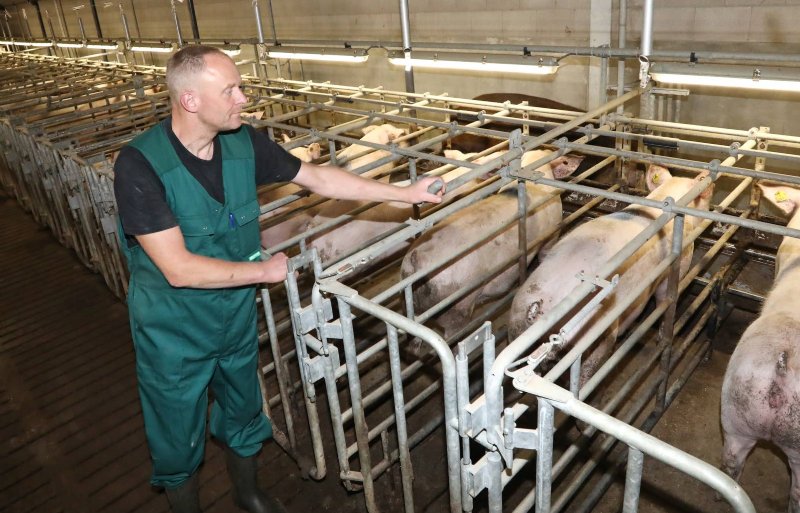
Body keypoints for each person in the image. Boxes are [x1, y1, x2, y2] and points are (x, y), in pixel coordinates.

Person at [113, 45, 443, 513]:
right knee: (176, 428)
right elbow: (178, 268)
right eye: (230, 90)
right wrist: (264, 270)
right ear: (190, 101)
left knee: (244, 406)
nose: (243, 99)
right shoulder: (140, 164)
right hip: (172, 326)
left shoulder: (244, 143)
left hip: (233, 313)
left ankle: (247, 492)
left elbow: (321, 180)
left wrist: (405, 192)